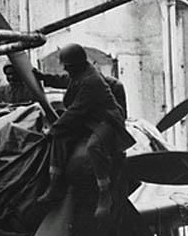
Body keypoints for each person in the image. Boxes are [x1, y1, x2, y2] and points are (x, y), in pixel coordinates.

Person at [36, 44, 134, 218]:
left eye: (68, 65)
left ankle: (105, 193)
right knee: (60, 138)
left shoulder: (92, 81)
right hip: (90, 119)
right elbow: (66, 80)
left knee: (94, 147)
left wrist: (53, 128)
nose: (65, 68)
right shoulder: (79, 74)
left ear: (77, 64)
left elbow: (76, 111)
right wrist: (44, 77)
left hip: (106, 120)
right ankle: (55, 183)